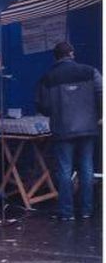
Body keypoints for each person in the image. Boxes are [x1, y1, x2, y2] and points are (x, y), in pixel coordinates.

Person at [37, 41, 102, 221]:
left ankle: (67, 213)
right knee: (86, 168)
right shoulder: (90, 71)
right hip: (88, 128)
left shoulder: (47, 77)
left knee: (64, 170)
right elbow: (102, 92)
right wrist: (99, 114)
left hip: (62, 130)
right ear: (72, 54)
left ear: (55, 57)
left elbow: (43, 107)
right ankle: (87, 211)